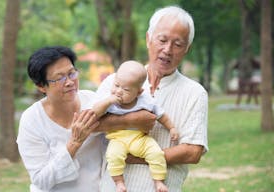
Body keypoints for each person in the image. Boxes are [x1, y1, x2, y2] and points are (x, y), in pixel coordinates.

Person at [98, 5, 208, 192]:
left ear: (187, 49)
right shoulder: (114, 81)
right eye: (162, 40)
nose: (168, 50)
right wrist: (131, 120)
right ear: (149, 39)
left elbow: (193, 152)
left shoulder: (195, 93)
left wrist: (139, 157)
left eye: (178, 44)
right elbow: (89, 125)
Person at [16, 46, 156, 192]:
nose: (69, 82)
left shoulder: (92, 100)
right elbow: (41, 181)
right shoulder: (31, 120)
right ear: (41, 86)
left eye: (72, 73)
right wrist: (74, 143)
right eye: (59, 78)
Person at [92, 60, 179, 192]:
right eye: (116, 85)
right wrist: (109, 100)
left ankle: (159, 181)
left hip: (140, 138)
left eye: (126, 89)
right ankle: (119, 182)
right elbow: (95, 112)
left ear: (139, 92)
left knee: (156, 153)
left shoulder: (145, 100)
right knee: (113, 155)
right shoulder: (109, 100)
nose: (119, 92)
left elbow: (161, 114)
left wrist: (171, 128)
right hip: (117, 138)